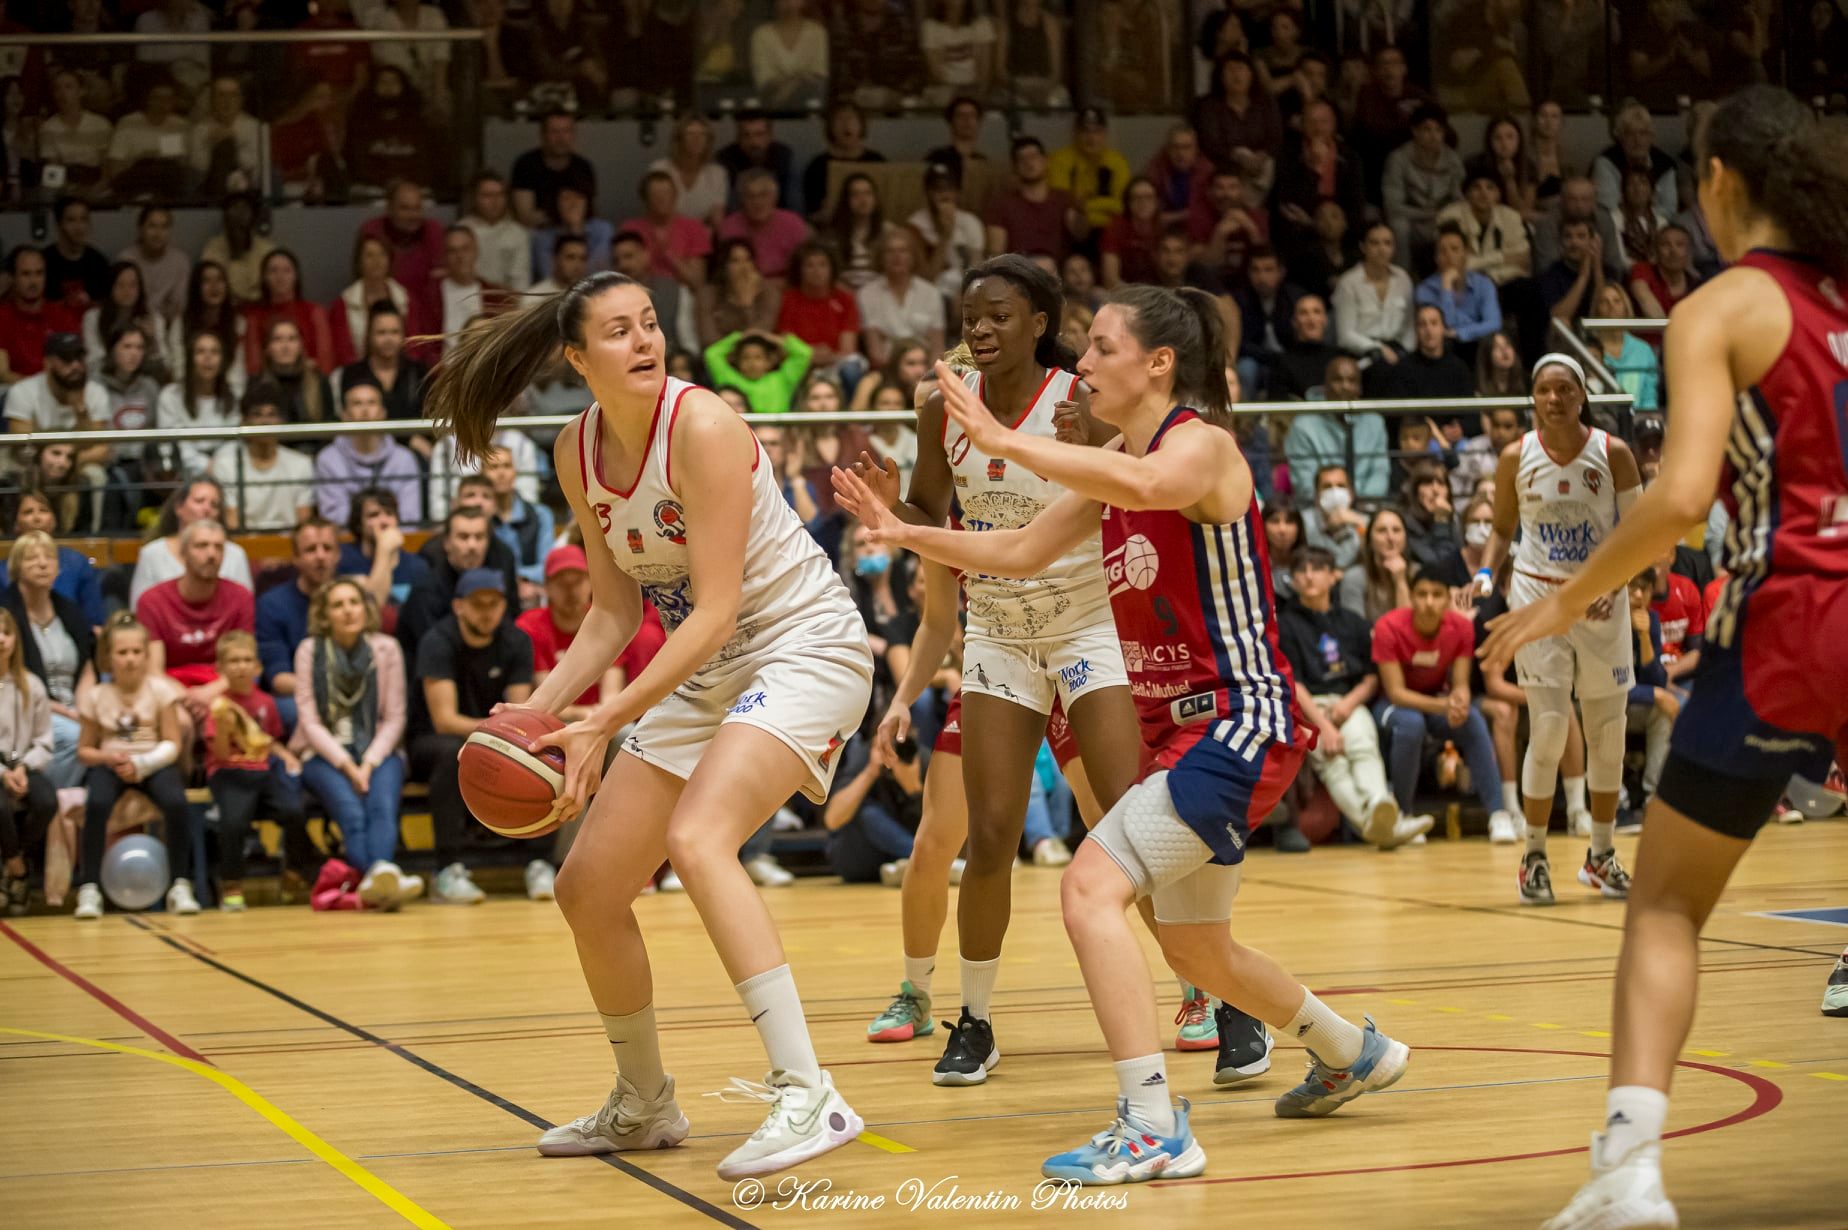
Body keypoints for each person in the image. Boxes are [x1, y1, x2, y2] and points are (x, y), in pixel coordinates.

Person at [837, 282, 1410, 1181]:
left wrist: (998, 439)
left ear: (1159, 364)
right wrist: (904, 529)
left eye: (1102, 347)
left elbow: (1149, 486)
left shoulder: (1199, 447)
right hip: (1181, 733)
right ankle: (1351, 1050)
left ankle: (1152, 1124)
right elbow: (1018, 551)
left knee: (1086, 890)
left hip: (1235, 722)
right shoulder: (1116, 461)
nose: (1086, 362)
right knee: (1196, 947)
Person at [1488, 82, 1848, 1230]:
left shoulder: (1724, 305)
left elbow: (1683, 497)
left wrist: (1562, 600)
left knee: (1665, 909)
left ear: (1720, 182)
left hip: (1799, 613)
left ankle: (1628, 1174)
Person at [424, 267, 875, 1180]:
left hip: (804, 648)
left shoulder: (703, 425)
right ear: (577, 358)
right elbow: (614, 613)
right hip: (708, 670)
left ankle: (809, 1093)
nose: (645, 342)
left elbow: (713, 609)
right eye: (620, 331)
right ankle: (644, 1103)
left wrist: (603, 723)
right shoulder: (575, 449)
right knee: (587, 888)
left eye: (651, 324)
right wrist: (540, 713)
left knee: (699, 839)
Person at [842, 256, 1186, 1088]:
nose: (981, 329)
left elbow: (1136, 499)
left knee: (1129, 817)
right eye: (971, 317)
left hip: (1085, 622)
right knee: (990, 834)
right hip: (997, 629)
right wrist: (892, 510)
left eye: (1000, 315)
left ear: (1038, 324)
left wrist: (1094, 447)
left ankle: (1209, 990)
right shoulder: (943, 406)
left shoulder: (1081, 401)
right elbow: (930, 513)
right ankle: (975, 1020)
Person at [1474, 352, 1641, 891]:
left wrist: (1612, 585)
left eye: (1565, 389)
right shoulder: (1515, 456)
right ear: (1533, 397)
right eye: (1544, 389)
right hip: (1538, 600)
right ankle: (1534, 856)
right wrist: (1485, 571)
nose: (1554, 398)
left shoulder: (1613, 453)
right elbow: (1502, 530)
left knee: (1608, 734)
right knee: (1547, 728)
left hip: (1599, 599)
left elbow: (1638, 535)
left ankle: (1601, 855)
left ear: (1582, 394)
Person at [405, 569, 540, 905]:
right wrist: (499, 737)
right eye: (478, 604)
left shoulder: (516, 641)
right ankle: (447, 870)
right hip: (430, 743)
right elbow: (445, 720)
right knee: (454, 752)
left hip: (493, 736)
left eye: (494, 603)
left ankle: (540, 863)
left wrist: (506, 739)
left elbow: (520, 712)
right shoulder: (437, 641)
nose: (487, 612)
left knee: (539, 751)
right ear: (459, 606)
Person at [1280, 547, 1430, 848]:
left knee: (1362, 745)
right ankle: (1385, 827)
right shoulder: (1285, 624)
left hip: (1348, 702)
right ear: (1293, 580)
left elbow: (1372, 677)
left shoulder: (1352, 621)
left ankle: (1378, 807)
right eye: (1301, 571)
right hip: (1307, 708)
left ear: (1333, 576)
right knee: (1332, 761)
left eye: (1316, 569)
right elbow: (1293, 682)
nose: (1308, 576)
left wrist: (1348, 704)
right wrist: (1323, 725)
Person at [292, 577, 416, 910]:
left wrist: (369, 763)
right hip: (323, 753)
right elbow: (310, 722)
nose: (348, 611)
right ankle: (384, 876)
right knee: (351, 813)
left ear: (366, 608)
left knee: (382, 807)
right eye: (338, 605)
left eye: (354, 602)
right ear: (324, 615)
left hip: (379, 750)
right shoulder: (309, 650)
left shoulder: (386, 648)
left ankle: (376, 880)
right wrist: (348, 767)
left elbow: (395, 717)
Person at [1372, 562, 1517, 835]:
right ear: (1411, 597)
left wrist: (1460, 700)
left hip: (1437, 701)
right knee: (1411, 725)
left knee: (1472, 719)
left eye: (1436, 595)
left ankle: (1499, 814)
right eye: (1422, 594)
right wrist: (1444, 705)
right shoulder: (1388, 626)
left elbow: (1460, 683)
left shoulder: (1461, 627)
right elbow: (1396, 692)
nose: (1429, 602)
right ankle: (1403, 815)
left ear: (1448, 598)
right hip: (1392, 705)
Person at [71, 613, 195, 921]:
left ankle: (180, 884)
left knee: (176, 802)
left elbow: (173, 743)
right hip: (111, 764)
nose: (130, 659)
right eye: (122, 652)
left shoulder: (161, 691)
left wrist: (142, 764)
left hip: (152, 762)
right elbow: (84, 751)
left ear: (146, 655)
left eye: (137, 652)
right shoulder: (96, 696)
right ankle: (90, 887)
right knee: (97, 804)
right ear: (108, 657)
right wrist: (108, 758)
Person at [204, 631, 311, 912]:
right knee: (234, 823)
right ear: (220, 668)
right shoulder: (218, 706)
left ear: (257, 667)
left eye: (247, 660)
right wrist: (224, 729)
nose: (241, 666)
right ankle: (231, 885)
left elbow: (269, 740)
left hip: (262, 771)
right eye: (233, 661)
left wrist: (286, 755)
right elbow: (220, 755)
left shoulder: (265, 702)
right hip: (228, 774)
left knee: (294, 811)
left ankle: (293, 874)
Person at [136, 519, 256, 722]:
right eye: (201, 546)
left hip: (223, 687)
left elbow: (244, 662)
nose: (211, 554)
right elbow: (154, 670)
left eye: (218, 547)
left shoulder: (241, 597)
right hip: (170, 690)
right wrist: (187, 697)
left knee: (227, 717)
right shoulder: (152, 600)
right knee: (180, 722)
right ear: (183, 553)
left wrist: (208, 694)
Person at [3, 532, 97, 792]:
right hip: (27, 706)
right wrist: (68, 713)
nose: (43, 564)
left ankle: (49, 799)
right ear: (17, 568)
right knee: (79, 739)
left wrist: (82, 710)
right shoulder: (7, 615)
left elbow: (88, 667)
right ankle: (46, 798)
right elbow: (14, 678)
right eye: (32, 558)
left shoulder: (70, 611)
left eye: (49, 558)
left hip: (73, 707)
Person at [518, 546, 626, 724]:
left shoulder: (608, 622)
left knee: (625, 731)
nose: (571, 591)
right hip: (550, 720)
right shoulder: (531, 626)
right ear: (546, 587)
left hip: (598, 719)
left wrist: (596, 718)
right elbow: (546, 700)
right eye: (561, 583)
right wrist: (584, 715)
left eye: (577, 581)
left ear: (591, 581)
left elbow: (611, 695)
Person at [0, 607, 54, 915]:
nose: (1, 639)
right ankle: (18, 871)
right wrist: (3, 774)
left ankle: (13, 859)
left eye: (6, 633)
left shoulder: (32, 685)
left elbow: (44, 740)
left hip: (24, 764)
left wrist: (23, 767)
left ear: (15, 640)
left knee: (46, 801)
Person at [129, 478, 254, 607]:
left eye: (214, 505)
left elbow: (244, 605)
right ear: (179, 507)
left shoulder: (235, 554)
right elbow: (139, 608)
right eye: (199, 501)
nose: (207, 509)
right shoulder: (152, 553)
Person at [314, 380, 422, 526]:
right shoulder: (328, 459)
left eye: (371, 403)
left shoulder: (404, 459)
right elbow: (333, 519)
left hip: (395, 536)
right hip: (347, 539)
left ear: (383, 413)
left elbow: (410, 518)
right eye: (357, 403)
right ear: (344, 414)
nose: (365, 410)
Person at [212, 382, 315, 532]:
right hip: (245, 542)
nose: (265, 422)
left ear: (281, 421)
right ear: (244, 421)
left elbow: (304, 522)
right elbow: (232, 524)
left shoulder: (301, 464)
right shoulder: (225, 464)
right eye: (257, 414)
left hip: (290, 543)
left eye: (272, 414)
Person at [984, 136, 1084, 266]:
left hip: (1059, 273)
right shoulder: (1001, 205)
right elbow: (996, 254)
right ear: (1014, 167)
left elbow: (1081, 235)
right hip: (1020, 273)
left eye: (1033, 157)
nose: (1028, 163)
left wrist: (1081, 210)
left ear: (1046, 161)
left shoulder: (1064, 199)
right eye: (1022, 159)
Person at [857, 231, 945, 369]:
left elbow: (937, 346)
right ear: (881, 257)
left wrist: (930, 374)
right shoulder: (867, 294)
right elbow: (875, 350)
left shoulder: (931, 293)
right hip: (886, 369)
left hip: (924, 368)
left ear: (913, 256)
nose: (897, 257)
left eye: (903, 251)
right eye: (890, 251)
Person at [156, 331, 239, 477]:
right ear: (190, 359)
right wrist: (206, 465)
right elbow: (175, 444)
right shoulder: (170, 395)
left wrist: (220, 466)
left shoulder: (232, 396)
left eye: (214, 352)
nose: (208, 357)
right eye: (200, 351)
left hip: (224, 468)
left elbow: (232, 443)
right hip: (181, 470)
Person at [1333, 223, 1415, 365]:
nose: (1382, 249)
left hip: (1399, 351)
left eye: (1387, 243)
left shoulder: (1403, 278)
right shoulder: (1348, 283)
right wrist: (1378, 348)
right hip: (1363, 352)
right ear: (1363, 247)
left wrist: (1406, 352)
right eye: (1374, 243)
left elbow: (1410, 327)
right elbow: (1345, 336)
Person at [0, 248, 81, 384]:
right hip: (14, 390)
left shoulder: (62, 316)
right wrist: (38, 390)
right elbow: (2, 373)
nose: (33, 281)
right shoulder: (2, 317)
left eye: (39, 273)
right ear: (13, 278)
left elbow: (73, 366)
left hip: (59, 390)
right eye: (26, 274)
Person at [334, 304, 427, 423]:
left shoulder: (418, 371)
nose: (388, 339)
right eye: (381, 332)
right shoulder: (352, 373)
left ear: (404, 335)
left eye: (395, 332)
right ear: (369, 335)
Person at [341, 487, 429, 610]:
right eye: (374, 515)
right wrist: (383, 550)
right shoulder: (343, 560)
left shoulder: (417, 566)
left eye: (389, 514)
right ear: (359, 524)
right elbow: (372, 608)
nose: (384, 521)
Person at [1416, 226, 1503, 347]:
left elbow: (1494, 323)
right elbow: (1448, 324)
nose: (1449, 255)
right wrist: (1446, 287)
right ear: (1436, 258)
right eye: (1442, 251)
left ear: (1466, 254)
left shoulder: (1483, 284)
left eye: (1455, 249)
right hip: (1445, 347)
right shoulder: (1425, 290)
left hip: (1479, 346)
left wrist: (1459, 332)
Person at [703, 329, 810, 416]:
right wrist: (739, 336)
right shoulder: (729, 380)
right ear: (737, 361)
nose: (752, 363)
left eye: (758, 357)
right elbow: (712, 354)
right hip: (742, 432)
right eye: (745, 358)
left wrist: (771, 337)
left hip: (777, 433)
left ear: (769, 361)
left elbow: (804, 353)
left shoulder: (782, 379)